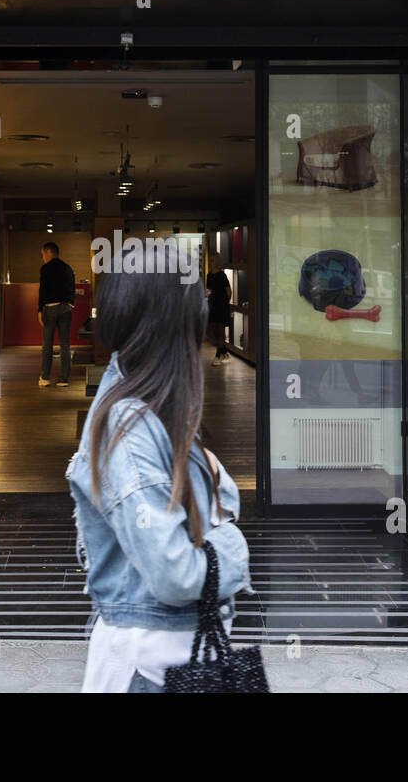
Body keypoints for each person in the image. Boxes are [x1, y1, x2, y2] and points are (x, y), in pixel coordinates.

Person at [66, 247, 253, 693]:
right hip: (153, 671)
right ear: (175, 320)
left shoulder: (151, 407)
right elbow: (177, 573)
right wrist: (233, 545)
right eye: (198, 301)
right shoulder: (130, 428)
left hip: (171, 661)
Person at [37, 241, 76, 387]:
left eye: (43, 255)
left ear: (48, 252)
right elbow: (72, 288)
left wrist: (40, 310)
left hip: (50, 308)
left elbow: (43, 290)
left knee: (47, 344)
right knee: (65, 344)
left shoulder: (46, 268)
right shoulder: (68, 268)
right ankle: (64, 379)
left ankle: (45, 377)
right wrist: (71, 304)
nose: (43, 258)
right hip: (66, 308)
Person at [205, 260, 232, 366]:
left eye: (212, 260)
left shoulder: (222, 275)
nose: (210, 262)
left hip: (221, 305)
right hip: (213, 305)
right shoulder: (209, 275)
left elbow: (229, 291)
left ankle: (218, 355)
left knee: (220, 329)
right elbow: (209, 290)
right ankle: (224, 350)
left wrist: (225, 303)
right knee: (212, 327)